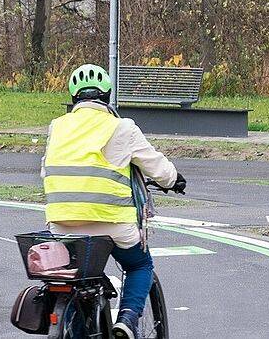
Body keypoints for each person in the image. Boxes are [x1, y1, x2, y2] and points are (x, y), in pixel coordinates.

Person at [41, 64, 186, 339]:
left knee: (78, 278)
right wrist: (174, 179)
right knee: (139, 266)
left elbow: (45, 170)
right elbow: (156, 166)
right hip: (113, 224)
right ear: (107, 97)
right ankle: (127, 321)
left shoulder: (56, 127)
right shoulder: (121, 127)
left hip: (62, 224)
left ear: (73, 98)